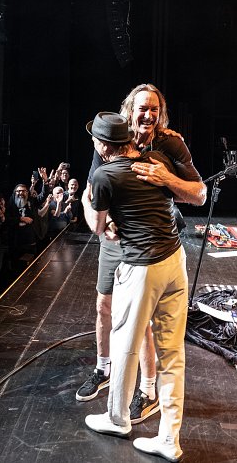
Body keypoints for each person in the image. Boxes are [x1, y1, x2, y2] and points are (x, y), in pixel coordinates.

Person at [76, 85, 205, 430]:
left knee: (139, 326)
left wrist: (168, 178)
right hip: (118, 236)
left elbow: (199, 194)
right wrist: (106, 222)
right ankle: (103, 370)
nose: (147, 115)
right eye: (141, 108)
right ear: (129, 111)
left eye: (154, 109)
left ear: (160, 114)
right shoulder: (111, 137)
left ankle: (145, 392)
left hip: (153, 247)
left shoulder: (169, 144)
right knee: (105, 306)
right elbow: (95, 190)